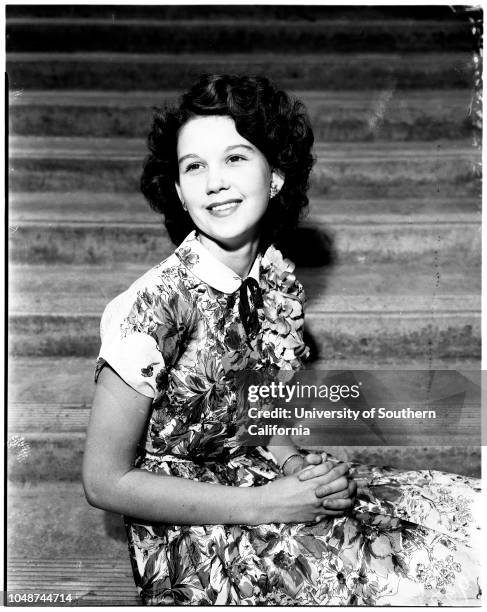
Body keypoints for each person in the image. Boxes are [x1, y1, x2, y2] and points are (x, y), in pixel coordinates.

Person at [82, 74, 481, 606]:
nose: (215, 181)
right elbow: (104, 481)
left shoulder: (270, 279)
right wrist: (268, 503)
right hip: (199, 535)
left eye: (236, 158)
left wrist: (298, 466)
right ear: (178, 191)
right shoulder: (152, 307)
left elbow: (256, 419)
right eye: (194, 166)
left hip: (263, 484)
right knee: (426, 573)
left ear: (275, 178)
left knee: (462, 514)